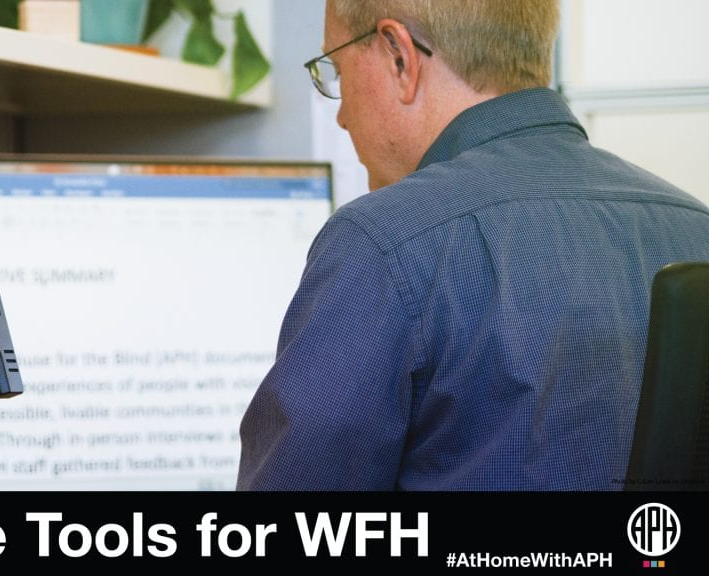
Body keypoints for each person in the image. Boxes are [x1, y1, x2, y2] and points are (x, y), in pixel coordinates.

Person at [237, 0, 709, 490]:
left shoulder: (383, 244)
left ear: (399, 56)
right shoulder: (698, 228)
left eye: (337, 68)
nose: (341, 118)